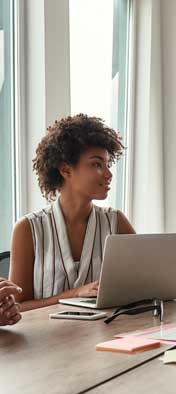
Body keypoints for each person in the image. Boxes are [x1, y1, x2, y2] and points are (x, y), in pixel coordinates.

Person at [10, 114, 135, 311]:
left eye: (107, 164)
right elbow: (18, 307)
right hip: (50, 340)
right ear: (66, 170)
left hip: (103, 335)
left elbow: (143, 287)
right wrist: (74, 294)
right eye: (96, 164)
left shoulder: (116, 222)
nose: (108, 174)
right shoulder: (28, 229)